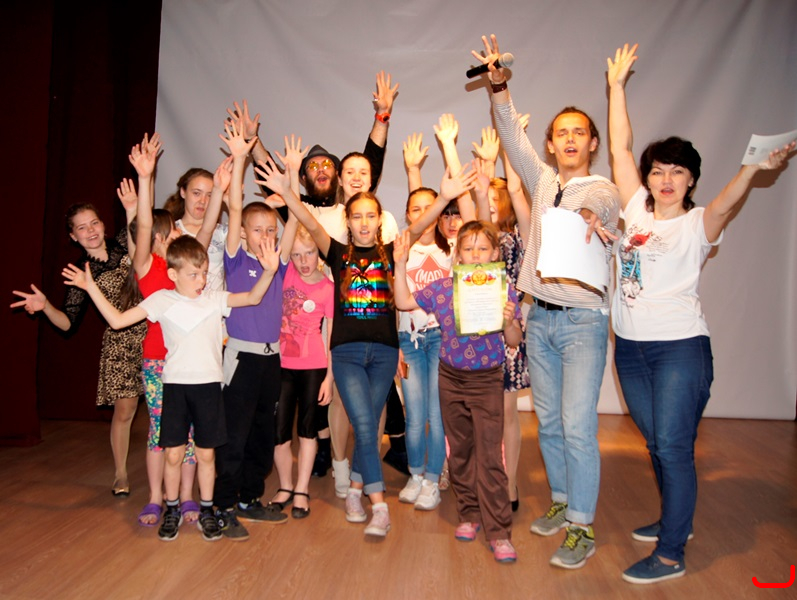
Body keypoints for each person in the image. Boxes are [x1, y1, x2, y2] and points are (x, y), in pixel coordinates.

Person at [606, 43, 795, 584]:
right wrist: (616, 87)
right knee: (657, 442)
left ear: (691, 179)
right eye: (658, 171)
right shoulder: (636, 210)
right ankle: (676, 520)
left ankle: (670, 553)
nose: (666, 179)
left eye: (678, 172)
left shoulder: (699, 223)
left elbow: (730, 199)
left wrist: (753, 169)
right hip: (631, 349)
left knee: (672, 446)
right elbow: (620, 148)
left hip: (680, 349)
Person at [473, 34, 621, 569]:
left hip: (582, 322)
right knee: (551, 424)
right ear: (553, 145)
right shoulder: (540, 181)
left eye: (580, 132)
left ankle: (582, 526)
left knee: (578, 426)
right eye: (562, 133)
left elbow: (603, 207)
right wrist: (499, 86)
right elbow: (511, 135)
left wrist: (592, 217)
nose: (570, 139)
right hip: (539, 320)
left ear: (593, 143)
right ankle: (562, 502)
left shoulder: (601, 188)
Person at [63, 225, 281, 542]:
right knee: (174, 455)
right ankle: (172, 509)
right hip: (176, 389)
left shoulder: (214, 299)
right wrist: (90, 287)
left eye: (204, 273)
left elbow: (253, 297)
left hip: (209, 389)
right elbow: (117, 321)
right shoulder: (161, 300)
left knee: (206, 455)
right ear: (173, 274)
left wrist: (269, 271)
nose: (201, 280)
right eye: (194, 274)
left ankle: (207, 511)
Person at [393, 220, 523, 563]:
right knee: (460, 452)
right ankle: (469, 513)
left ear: (494, 254)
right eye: (468, 248)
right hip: (450, 378)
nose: (475, 254)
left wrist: (510, 321)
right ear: (458, 254)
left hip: (487, 380)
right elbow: (403, 301)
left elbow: (513, 340)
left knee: (490, 456)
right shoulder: (442, 288)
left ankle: (499, 531)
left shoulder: (503, 289)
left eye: (483, 248)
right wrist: (400, 263)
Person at [12, 200, 146, 497]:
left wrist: (133, 209)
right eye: (82, 228)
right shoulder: (80, 274)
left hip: (156, 332)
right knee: (125, 411)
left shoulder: (124, 241)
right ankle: (121, 473)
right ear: (73, 236)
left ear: (103, 224)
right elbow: (67, 324)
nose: (91, 230)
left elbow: (142, 236)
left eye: (94, 223)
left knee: (170, 404)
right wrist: (46, 306)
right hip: (121, 344)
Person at [213, 122, 292, 541]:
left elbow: (293, 223)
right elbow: (235, 205)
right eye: (258, 229)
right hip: (241, 359)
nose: (266, 236)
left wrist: (290, 182)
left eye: (271, 230)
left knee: (263, 433)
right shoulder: (236, 258)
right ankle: (223, 506)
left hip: (271, 359)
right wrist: (242, 158)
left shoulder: (278, 265)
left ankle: (248, 498)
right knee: (235, 433)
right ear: (243, 232)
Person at [126, 133, 200, 527]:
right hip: (157, 362)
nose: (177, 235)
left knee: (189, 433)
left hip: (188, 363)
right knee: (160, 430)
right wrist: (146, 178)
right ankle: (156, 498)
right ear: (158, 237)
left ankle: (186, 497)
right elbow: (142, 225)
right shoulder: (147, 266)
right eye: (171, 231)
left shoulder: (179, 268)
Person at [395, 186, 452, 511]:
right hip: (409, 341)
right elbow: (393, 299)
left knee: (436, 413)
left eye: (429, 207)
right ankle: (415, 474)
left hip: (441, 340)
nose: (423, 215)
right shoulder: (402, 249)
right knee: (414, 414)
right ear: (408, 215)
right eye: (416, 209)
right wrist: (396, 346)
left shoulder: (451, 250)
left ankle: (432, 479)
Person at [274, 220, 334, 519]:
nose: (303, 261)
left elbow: (332, 334)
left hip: (313, 366)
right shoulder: (285, 274)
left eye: (309, 253)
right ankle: (285, 486)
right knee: (279, 432)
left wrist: (329, 378)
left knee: (307, 430)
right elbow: (283, 249)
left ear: (318, 253)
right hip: (282, 365)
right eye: (297, 255)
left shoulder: (328, 288)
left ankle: (301, 488)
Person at [163, 166, 227, 292]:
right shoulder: (170, 232)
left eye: (210, 195)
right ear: (183, 192)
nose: (202, 201)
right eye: (196, 193)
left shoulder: (223, 232)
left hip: (215, 303)